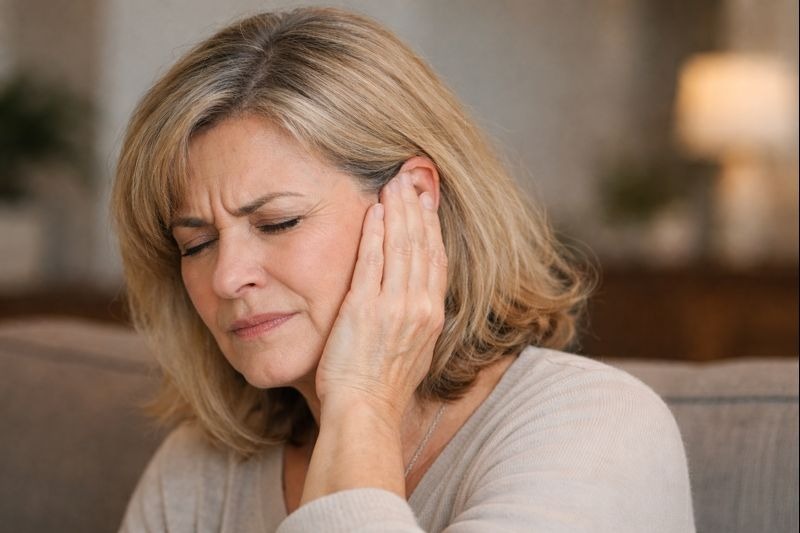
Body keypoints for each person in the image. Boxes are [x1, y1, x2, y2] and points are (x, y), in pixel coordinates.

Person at [113, 7, 694, 532]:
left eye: (278, 223)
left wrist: (362, 401)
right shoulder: (196, 472)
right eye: (196, 244)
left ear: (413, 199)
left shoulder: (596, 428)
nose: (226, 277)